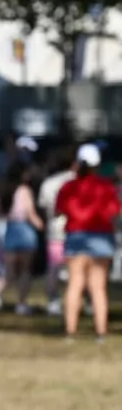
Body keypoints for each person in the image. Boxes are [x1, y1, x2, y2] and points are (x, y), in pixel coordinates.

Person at [56, 143, 120, 342]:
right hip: (100, 237)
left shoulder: (69, 187)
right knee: (98, 287)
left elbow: (59, 210)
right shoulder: (105, 186)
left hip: (75, 235)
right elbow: (114, 211)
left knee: (75, 283)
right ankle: (100, 332)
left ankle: (70, 331)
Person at [0, 160, 44, 314]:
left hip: (10, 231)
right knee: (25, 271)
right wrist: (40, 225)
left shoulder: (3, 191)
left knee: (9, 271)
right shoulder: (24, 191)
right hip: (25, 231)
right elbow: (29, 213)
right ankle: (21, 302)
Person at [37, 147, 76, 316]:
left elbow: (44, 208)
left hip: (55, 230)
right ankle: (80, 301)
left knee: (53, 268)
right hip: (75, 228)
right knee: (78, 269)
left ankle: (53, 300)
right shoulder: (77, 181)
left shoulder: (48, 183)